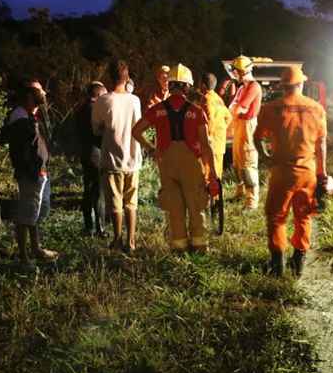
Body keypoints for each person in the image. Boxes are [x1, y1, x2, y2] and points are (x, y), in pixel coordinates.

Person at [132, 63, 220, 253]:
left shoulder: (157, 109)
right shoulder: (197, 112)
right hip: (191, 163)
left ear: (170, 85)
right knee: (196, 206)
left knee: (175, 208)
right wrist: (212, 173)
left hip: (166, 162)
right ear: (187, 87)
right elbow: (206, 145)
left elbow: (136, 131)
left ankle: (178, 247)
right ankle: (199, 246)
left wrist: (151, 148)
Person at [255, 65, 328, 277]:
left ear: (282, 85)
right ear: (301, 83)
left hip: (281, 171)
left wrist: (266, 157)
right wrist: (322, 174)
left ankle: (278, 264)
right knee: (303, 215)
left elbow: (257, 137)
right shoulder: (316, 108)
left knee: (276, 217)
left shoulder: (271, 108)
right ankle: (299, 260)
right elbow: (321, 145)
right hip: (307, 170)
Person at [1, 79, 58, 262]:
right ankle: (24, 256)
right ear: (29, 96)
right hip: (32, 173)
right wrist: (32, 169)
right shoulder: (20, 118)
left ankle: (35, 248)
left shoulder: (31, 115)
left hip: (39, 171)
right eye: (39, 92)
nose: (43, 94)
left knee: (36, 210)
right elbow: (23, 150)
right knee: (27, 212)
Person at [92, 60, 143, 253]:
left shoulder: (103, 101)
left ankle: (117, 240)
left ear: (109, 77)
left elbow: (96, 129)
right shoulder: (135, 100)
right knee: (131, 202)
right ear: (127, 77)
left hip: (112, 157)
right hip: (133, 158)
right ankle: (131, 242)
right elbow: (139, 126)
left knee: (115, 203)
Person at [229, 55, 262, 210]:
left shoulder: (254, 87)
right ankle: (240, 192)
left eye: (235, 70)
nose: (233, 73)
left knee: (248, 164)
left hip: (248, 127)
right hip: (239, 125)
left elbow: (239, 108)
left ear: (241, 71)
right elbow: (233, 108)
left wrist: (228, 115)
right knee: (237, 162)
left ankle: (251, 201)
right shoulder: (242, 87)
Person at [77, 81, 107, 236]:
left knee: (87, 191)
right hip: (97, 154)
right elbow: (99, 133)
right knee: (98, 193)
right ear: (99, 94)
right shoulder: (95, 110)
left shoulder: (80, 108)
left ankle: (88, 226)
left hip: (85, 153)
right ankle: (100, 228)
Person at [200, 73, 232, 179]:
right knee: (217, 174)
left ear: (203, 85)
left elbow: (209, 119)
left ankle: (209, 195)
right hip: (219, 142)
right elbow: (228, 117)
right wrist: (221, 130)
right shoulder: (218, 99)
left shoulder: (206, 98)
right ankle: (216, 195)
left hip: (210, 144)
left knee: (208, 174)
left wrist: (207, 136)